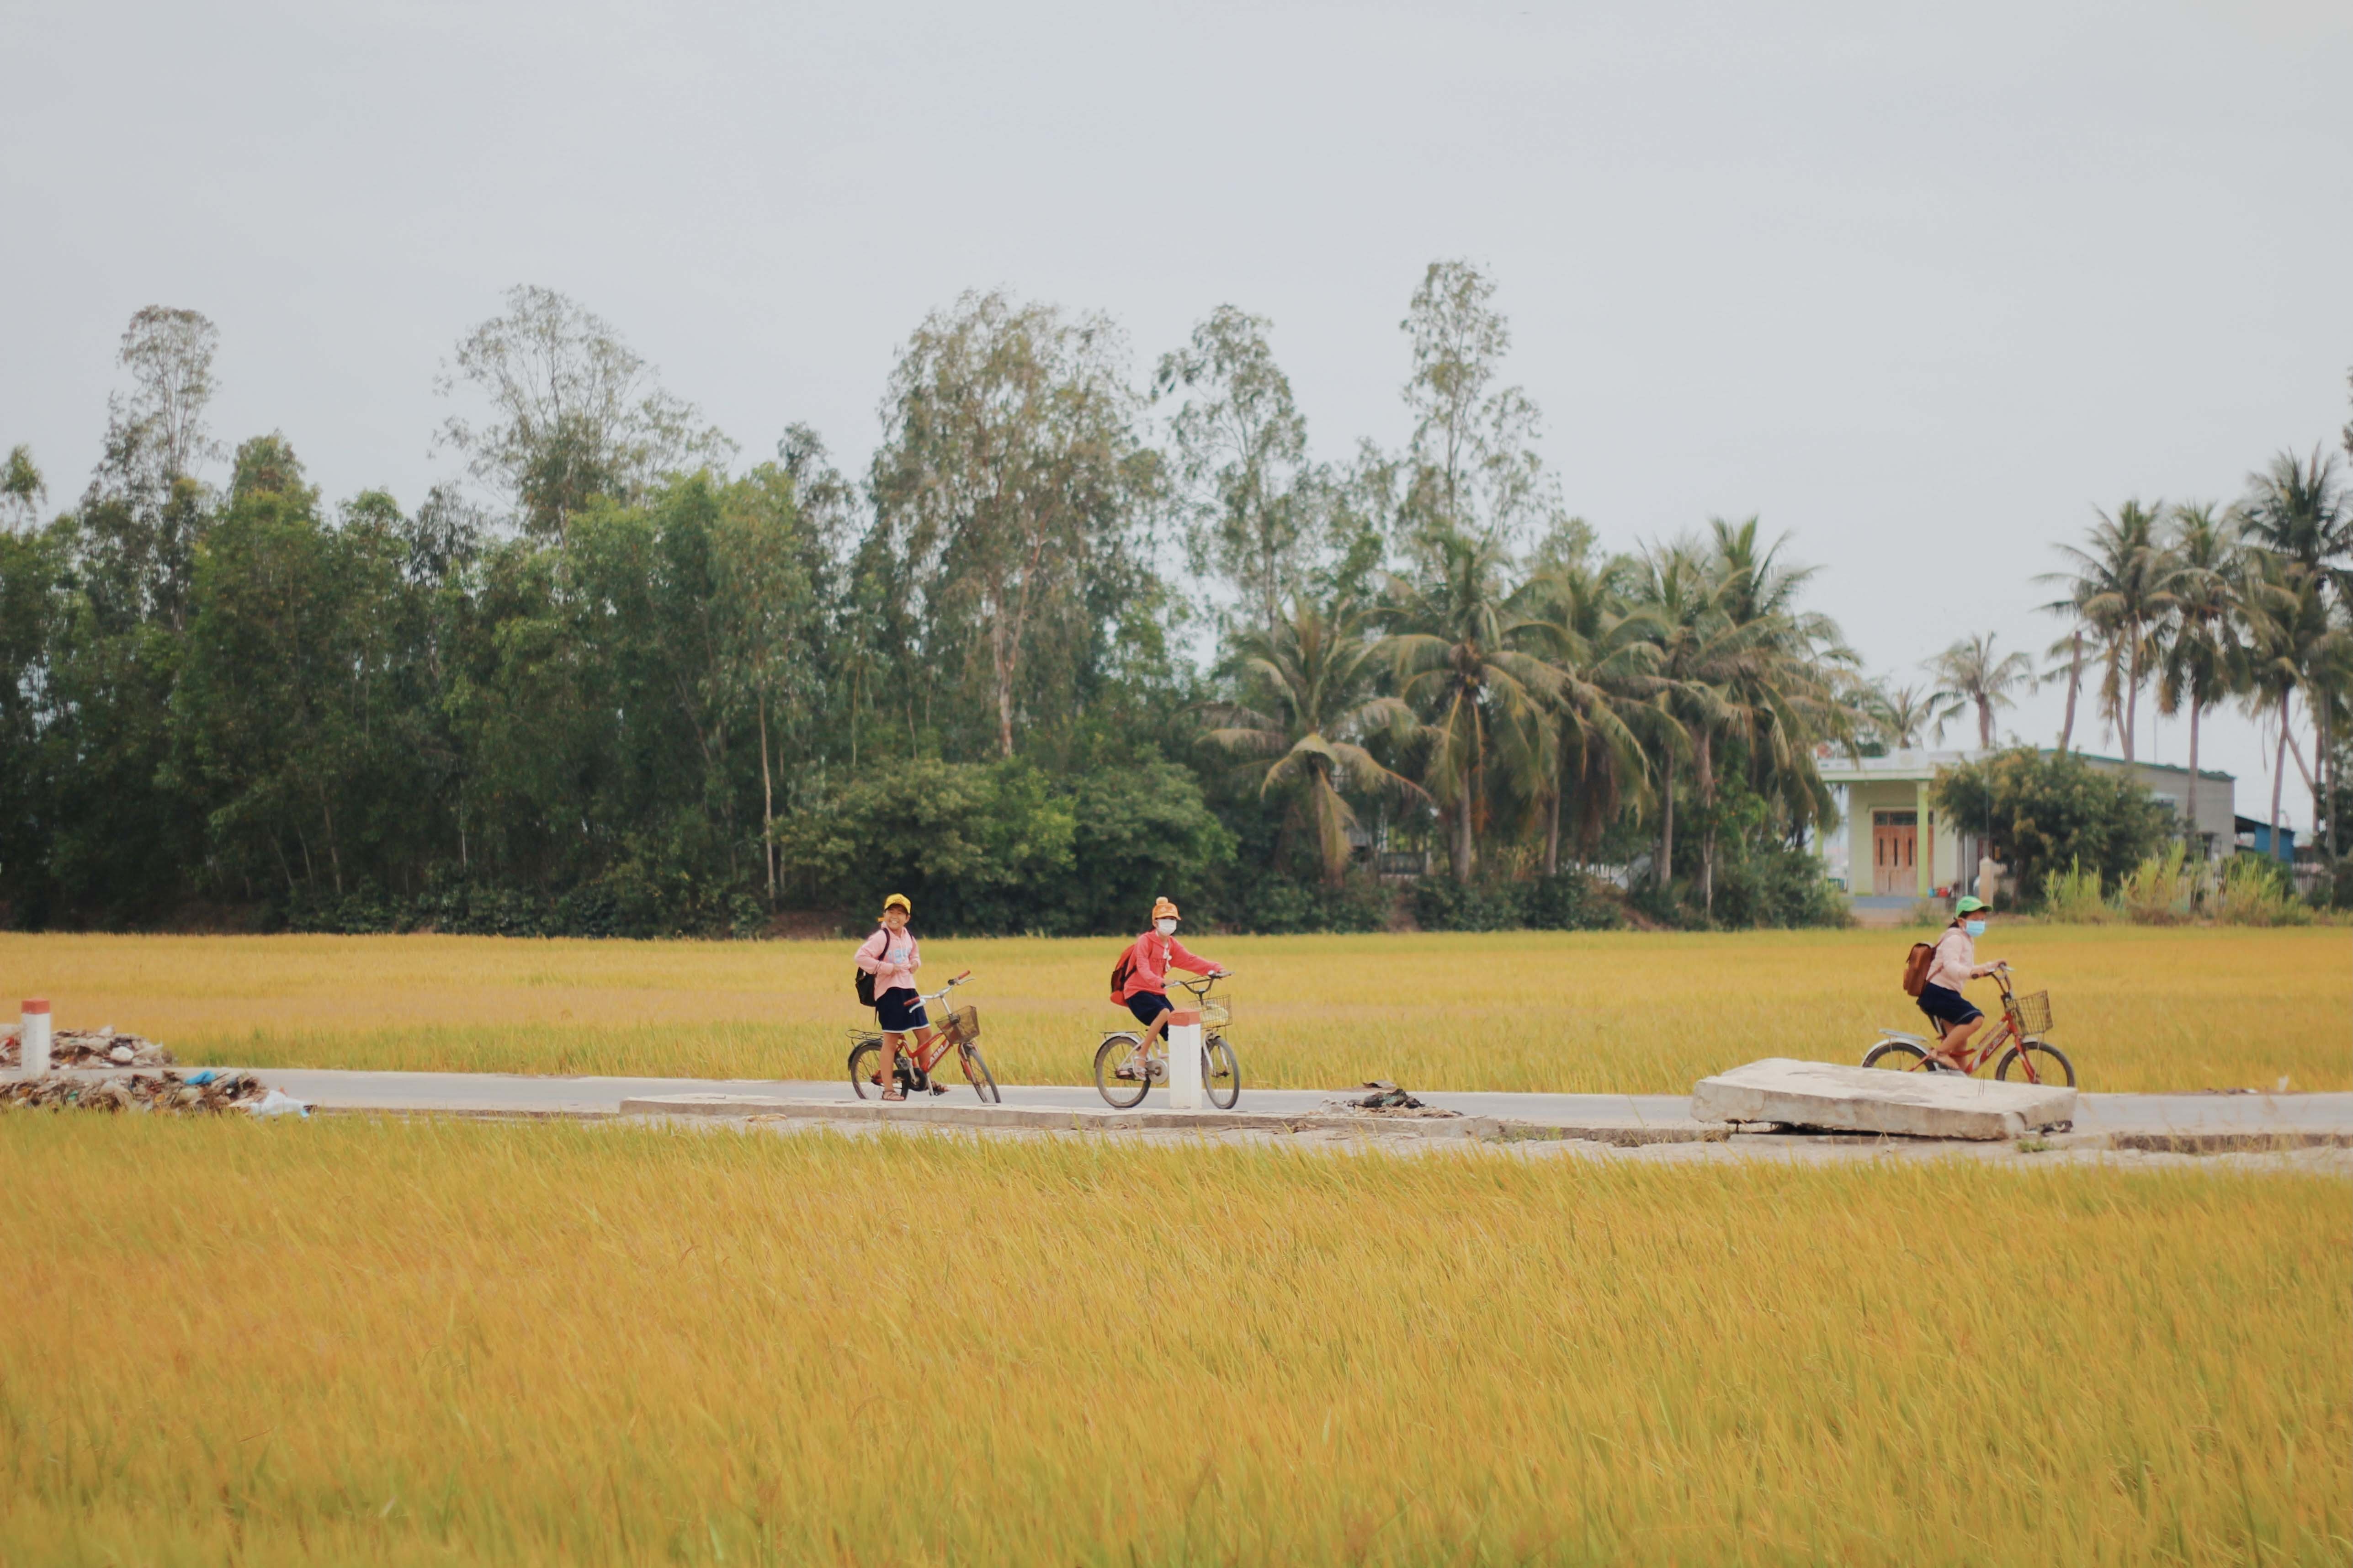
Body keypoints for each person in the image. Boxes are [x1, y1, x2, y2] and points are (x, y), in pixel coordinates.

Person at [1110, 897, 1226, 1075]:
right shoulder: (1145, 941)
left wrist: (1215, 968)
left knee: (1178, 1028)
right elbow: (1142, 967)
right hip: (1137, 992)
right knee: (1164, 1013)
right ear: (1155, 922)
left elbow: (1190, 960)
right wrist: (1160, 981)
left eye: (1173, 920)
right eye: (1165, 920)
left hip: (1157, 992)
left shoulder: (1172, 945)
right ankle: (1141, 1056)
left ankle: (1185, 1070)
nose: (1169, 923)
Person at [855, 894, 943, 1101]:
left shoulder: (908, 937)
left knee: (925, 1033)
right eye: (891, 912)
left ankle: (924, 1078)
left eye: (900, 913)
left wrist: (915, 964)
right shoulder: (881, 937)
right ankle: (888, 1091)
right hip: (889, 994)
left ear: (907, 918)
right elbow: (860, 957)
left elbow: (916, 956)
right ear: (884, 915)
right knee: (891, 1042)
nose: (895, 916)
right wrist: (886, 968)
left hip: (909, 990)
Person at [1917, 895, 2002, 1071]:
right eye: (1976, 920)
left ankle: (1963, 1084)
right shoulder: (1954, 938)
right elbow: (1951, 967)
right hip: (1937, 993)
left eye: (1983, 920)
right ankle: (1939, 1053)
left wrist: (1990, 967)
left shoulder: (1965, 939)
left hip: (1946, 994)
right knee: (1976, 1018)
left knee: (1960, 1045)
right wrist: (1973, 973)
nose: (1981, 923)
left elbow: (1966, 967)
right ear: (1962, 921)